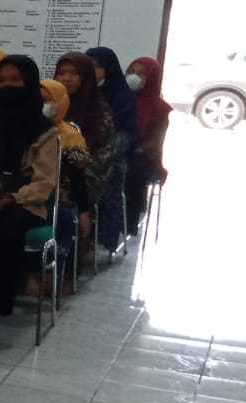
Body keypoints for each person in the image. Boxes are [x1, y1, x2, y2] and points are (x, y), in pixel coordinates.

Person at [0, 55, 61, 316]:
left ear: (29, 84)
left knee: (1, 230)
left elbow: (44, 183)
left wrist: (12, 197)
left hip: (26, 202)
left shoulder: (45, 132)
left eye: (15, 80)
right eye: (1, 80)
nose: (7, 86)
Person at [54, 51, 115, 263]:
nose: (66, 78)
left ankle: (66, 261)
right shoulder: (50, 105)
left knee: (62, 202)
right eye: (61, 73)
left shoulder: (99, 111)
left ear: (86, 77)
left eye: (74, 73)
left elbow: (101, 159)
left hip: (86, 176)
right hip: (51, 173)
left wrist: (71, 176)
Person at [86, 46, 139, 249]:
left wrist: (101, 156)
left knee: (109, 179)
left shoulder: (122, 95)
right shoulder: (85, 92)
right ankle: (82, 241)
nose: (91, 71)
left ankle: (105, 240)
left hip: (113, 153)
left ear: (108, 68)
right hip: (84, 151)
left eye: (96, 66)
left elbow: (126, 133)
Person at [41, 78, 95, 269]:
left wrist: (83, 211)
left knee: (62, 218)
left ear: (61, 103)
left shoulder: (70, 136)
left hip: (60, 196)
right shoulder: (25, 129)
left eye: (49, 100)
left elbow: (78, 177)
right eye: (39, 100)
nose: (43, 105)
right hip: (32, 194)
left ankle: (57, 271)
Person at [124, 56, 170, 233]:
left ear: (151, 78)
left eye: (141, 74)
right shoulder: (121, 99)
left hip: (143, 156)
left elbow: (156, 142)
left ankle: (128, 223)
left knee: (132, 171)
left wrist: (135, 149)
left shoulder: (160, 108)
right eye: (131, 72)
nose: (134, 77)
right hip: (118, 151)